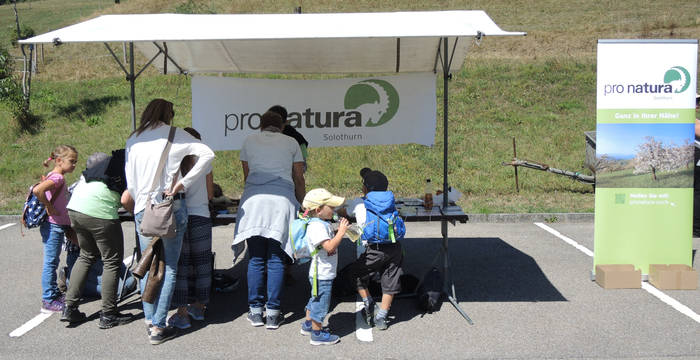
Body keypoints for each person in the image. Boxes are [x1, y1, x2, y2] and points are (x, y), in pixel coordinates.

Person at [125, 99, 215, 345]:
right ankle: (158, 325)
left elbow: (130, 184)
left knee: (146, 263)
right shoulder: (177, 135)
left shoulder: (134, 138)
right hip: (170, 205)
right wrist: (182, 183)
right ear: (169, 114)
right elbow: (208, 154)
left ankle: (149, 318)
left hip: (143, 207)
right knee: (171, 267)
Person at [232, 111, 305, 330]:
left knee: (255, 258)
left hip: (254, 201)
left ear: (261, 126)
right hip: (281, 201)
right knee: (276, 258)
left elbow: (247, 176)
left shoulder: (249, 141)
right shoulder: (292, 142)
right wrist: (303, 204)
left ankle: (255, 312)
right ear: (281, 126)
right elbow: (298, 178)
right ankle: (273, 313)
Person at [61, 151, 134, 328]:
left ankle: (70, 307)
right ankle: (109, 314)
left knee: (86, 255)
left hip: (75, 209)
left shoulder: (102, 166)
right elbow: (125, 200)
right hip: (100, 212)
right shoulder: (128, 167)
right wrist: (138, 214)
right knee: (112, 261)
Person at [340, 168, 405, 330]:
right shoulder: (390, 201)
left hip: (373, 249)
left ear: (366, 188)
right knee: (390, 280)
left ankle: (369, 302)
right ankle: (382, 317)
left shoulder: (359, 202)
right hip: (394, 247)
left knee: (356, 273)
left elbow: (343, 211)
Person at [168, 127, 215, 329]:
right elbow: (211, 193)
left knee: (181, 265)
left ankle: (182, 313)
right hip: (200, 214)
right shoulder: (205, 161)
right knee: (202, 264)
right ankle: (200, 307)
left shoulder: (173, 161)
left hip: (178, 215)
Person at [299, 188, 348, 346]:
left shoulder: (320, 223)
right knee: (321, 304)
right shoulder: (317, 227)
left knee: (315, 298)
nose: (334, 210)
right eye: (331, 207)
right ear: (318, 210)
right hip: (322, 274)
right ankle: (317, 334)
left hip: (320, 271)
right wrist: (341, 232)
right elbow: (329, 248)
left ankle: (308, 325)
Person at [33, 145, 78, 313]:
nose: (74, 165)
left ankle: (52, 293)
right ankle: (48, 298)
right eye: (71, 161)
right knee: (51, 261)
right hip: (54, 225)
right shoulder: (57, 177)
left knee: (53, 260)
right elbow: (38, 190)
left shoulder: (56, 176)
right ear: (59, 161)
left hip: (58, 224)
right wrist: (49, 207)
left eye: (75, 162)